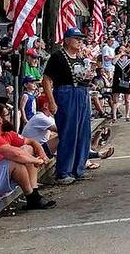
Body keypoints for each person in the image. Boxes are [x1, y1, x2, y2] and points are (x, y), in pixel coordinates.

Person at [42, 26, 92, 184]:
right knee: (68, 132)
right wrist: (51, 101)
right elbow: (46, 80)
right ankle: (63, 171)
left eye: (80, 39)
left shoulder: (80, 57)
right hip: (65, 94)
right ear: (67, 40)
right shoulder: (57, 56)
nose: (79, 42)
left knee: (83, 132)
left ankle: (79, 168)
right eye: (76, 38)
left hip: (82, 93)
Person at [111, 44, 130, 121]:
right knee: (115, 99)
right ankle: (114, 116)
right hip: (117, 79)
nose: (123, 50)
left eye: (124, 49)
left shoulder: (128, 60)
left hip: (126, 80)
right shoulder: (117, 57)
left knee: (127, 99)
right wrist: (120, 54)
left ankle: (127, 116)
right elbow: (113, 62)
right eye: (121, 49)